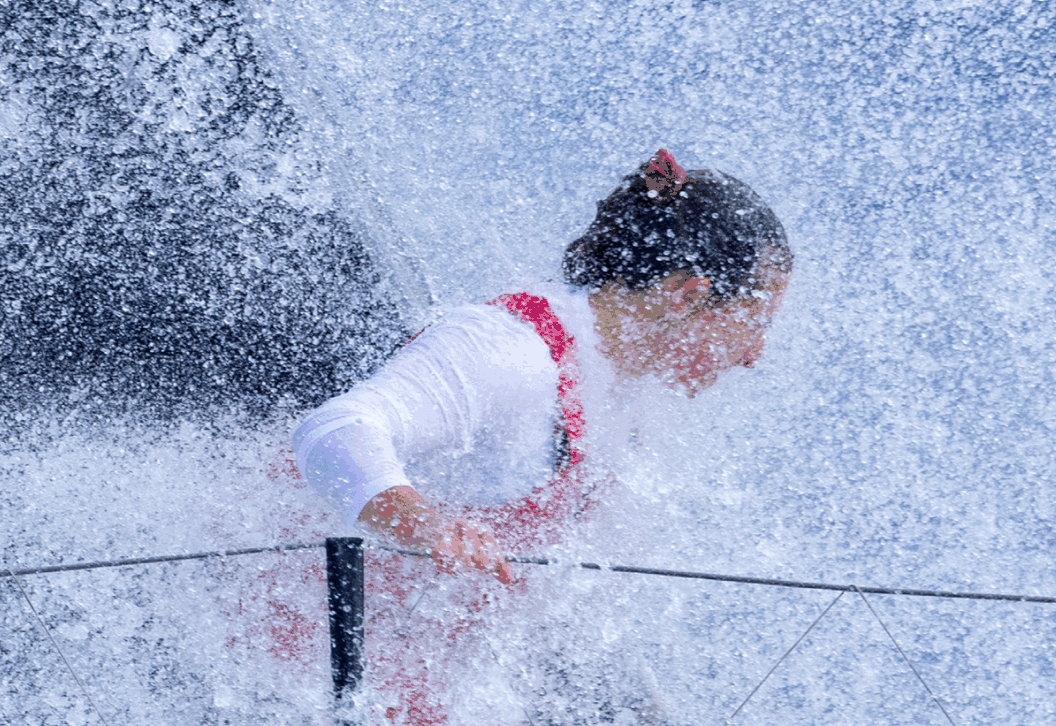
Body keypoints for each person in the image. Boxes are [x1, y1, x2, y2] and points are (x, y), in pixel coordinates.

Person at [292, 150, 792, 582]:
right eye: (755, 323)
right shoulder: (513, 351)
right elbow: (335, 431)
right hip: (289, 645)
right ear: (689, 297)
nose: (753, 357)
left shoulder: (624, 394)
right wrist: (434, 533)